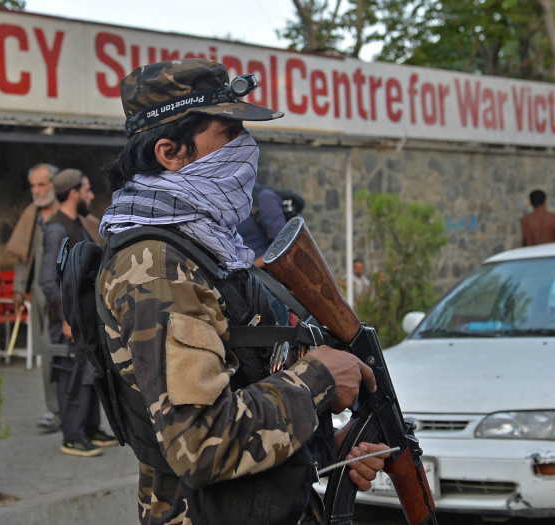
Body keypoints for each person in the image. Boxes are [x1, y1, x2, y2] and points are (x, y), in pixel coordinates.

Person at [98, 58, 387, 525]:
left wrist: (323, 445)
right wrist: (318, 380)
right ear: (171, 153)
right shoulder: (157, 267)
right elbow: (199, 444)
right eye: (228, 133)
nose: (246, 147)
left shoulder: (204, 244)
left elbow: (239, 383)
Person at [38, 169, 116, 457]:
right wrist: (65, 318)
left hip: (83, 318)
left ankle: (89, 428)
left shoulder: (77, 224)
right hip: (69, 322)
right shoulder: (56, 229)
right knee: (71, 375)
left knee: (88, 373)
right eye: (86, 190)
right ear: (73, 193)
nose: (91, 195)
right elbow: (47, 280)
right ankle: (72, 436)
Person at [4, 163, 64, 432]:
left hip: (63, 296)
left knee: (71, 355)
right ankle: (54, 410)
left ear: (54, 185)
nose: (38, 191)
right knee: (48, 354)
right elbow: (23, 258)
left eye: (43, 185)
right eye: (34, 186)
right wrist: (19, 288)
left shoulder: (65, 216)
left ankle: (75, 411)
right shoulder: (32, 217)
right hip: (40, 297)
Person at [236, 183, 287, 267]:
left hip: (267, 275)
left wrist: (248, 269)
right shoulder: (219, 204)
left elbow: (283, 248)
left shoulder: (264, 198)